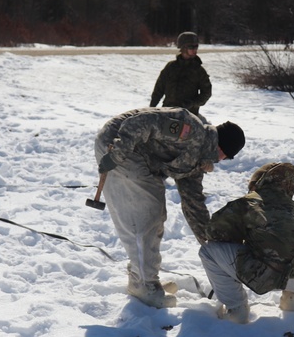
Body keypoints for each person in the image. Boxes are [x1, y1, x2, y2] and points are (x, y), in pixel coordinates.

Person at [94, 107, 245, 308]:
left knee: (155, 216)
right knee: (147, 216)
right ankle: (144, 284)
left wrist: (212, 245)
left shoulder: (197, 161)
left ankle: (143, 279)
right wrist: (118, 154)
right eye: (226, 157)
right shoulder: (190, 129)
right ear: (222, 150)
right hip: (118, 146)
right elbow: (141, 122)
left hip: (135, 156)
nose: (221, 161)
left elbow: (195, 207)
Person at [199, 162, 294, 324]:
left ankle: (237, 309)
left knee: (208, 251)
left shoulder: (248, 202)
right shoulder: (290, 205)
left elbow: (213, 231)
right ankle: (291, 298)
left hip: (270, 274)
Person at [149, 31, 212, 115]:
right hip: (168, 112)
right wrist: (151, 108)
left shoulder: (199, 71)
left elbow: (206, 93)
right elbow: (159, 89)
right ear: (183, 48)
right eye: (191, 47)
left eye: (196, 46)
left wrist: (193, 103)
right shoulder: (171, 67)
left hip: (188, 115)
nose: (194, 50)